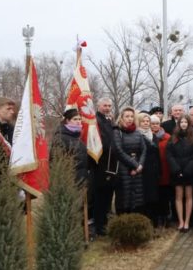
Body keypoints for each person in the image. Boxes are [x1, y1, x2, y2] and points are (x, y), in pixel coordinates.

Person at [113, 107, 146, 215]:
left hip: (137, 170)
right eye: (127, 116)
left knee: (136, 197)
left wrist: (139, 165)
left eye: (132, 116)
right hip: (123, 169)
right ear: (121, 118)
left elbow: (143, 150)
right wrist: (135, 165)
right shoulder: (117, 131)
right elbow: (119, 151)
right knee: (124, 198)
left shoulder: (137, 132)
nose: (130, 119)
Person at [167, 115, 193, 232]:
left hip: (189, 173)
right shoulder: (173, 138)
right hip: (177, 172)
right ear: (178, 124)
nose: (183, 124)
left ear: (189, 124)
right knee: (179, 197)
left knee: (189, 197)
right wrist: (177, 170)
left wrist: (187, 171)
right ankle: (180, 221)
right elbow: (169, 156)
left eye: (186, 122)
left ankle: (187, 221)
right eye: (181, 122)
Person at [92, 97, 116, 235]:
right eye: (105, 105)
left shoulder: (108, 121)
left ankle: (104, 223)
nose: (107, 108)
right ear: (98, 106)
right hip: (100, 164)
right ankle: (99, 225)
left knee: (107, 196)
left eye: (109, 105)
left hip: (110, 163)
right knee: (100, 197)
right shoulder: (96, 121)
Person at [51, 109, 89, 187]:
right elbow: (57, 162)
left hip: (81, 181)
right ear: (67, 120)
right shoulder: (61, 137)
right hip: (69, 183)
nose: (78, 121)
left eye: (79, 119)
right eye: (75, 119)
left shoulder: (76, 136)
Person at [137, 112, 161, 228]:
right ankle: (144, 222)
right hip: (142, 169)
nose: (146, 123)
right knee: (144, 197)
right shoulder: (137, 135)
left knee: (153, 197)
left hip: (153, 170)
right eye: (143, 121)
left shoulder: (153, 136)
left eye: (148, 121)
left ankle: (154, 222)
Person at [151, 114, 172, 228]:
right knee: (155, 196)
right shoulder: (147, 137)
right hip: (152, 173)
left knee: (164, 196)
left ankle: (165, 217)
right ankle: (156, 217)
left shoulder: (167, 137)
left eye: (157, 124)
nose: (155, 126)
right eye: (152, 124)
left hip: (165, 171)